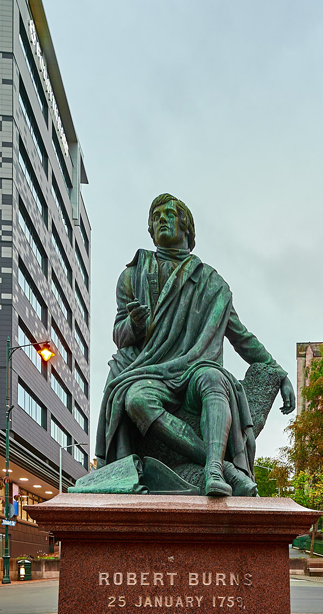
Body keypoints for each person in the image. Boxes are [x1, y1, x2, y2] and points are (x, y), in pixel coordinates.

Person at [96, 193, 296, 497]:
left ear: (186, 227)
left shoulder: (212, 283)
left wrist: (278, 371)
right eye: (156, 217)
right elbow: (119, 335)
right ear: (150, 229)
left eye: (169, 214)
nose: (161, 220)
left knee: (214, 377)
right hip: (150, 373)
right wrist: (134, 325)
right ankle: (224, 467)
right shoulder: (132, 276)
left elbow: (240, 336)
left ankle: (214, 470)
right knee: (136, 399)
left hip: (195, 370)